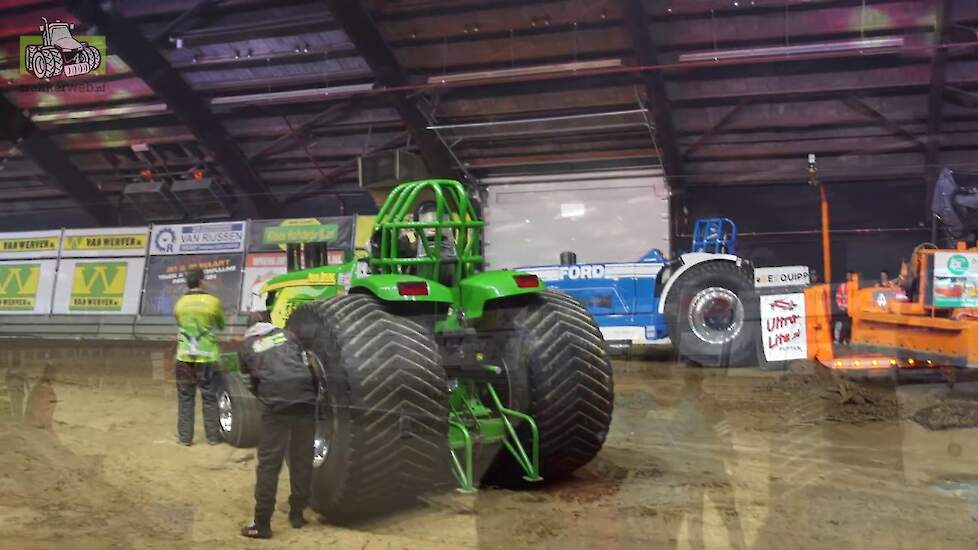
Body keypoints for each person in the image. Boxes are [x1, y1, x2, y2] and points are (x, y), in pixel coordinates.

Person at [239, 311, 318, 539]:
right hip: (304, 399)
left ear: (250, 327)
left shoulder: (247, 346)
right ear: (270, 323)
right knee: (302, 458)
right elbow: (309, 365)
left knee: (269, 465)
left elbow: (250, 381)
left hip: (276, 406)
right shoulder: (289, 335)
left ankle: (262, 524)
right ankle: (297, 514)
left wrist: (266, 398)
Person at [173, 268, 224, 446]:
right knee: (210, 396)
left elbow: (179, 323)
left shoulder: (179, 304)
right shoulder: (213, 302)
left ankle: (185, 438)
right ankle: (213, 437)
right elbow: (220, 325)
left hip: (184, 356)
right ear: (202, 282)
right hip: (208, 356)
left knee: (185, 397)